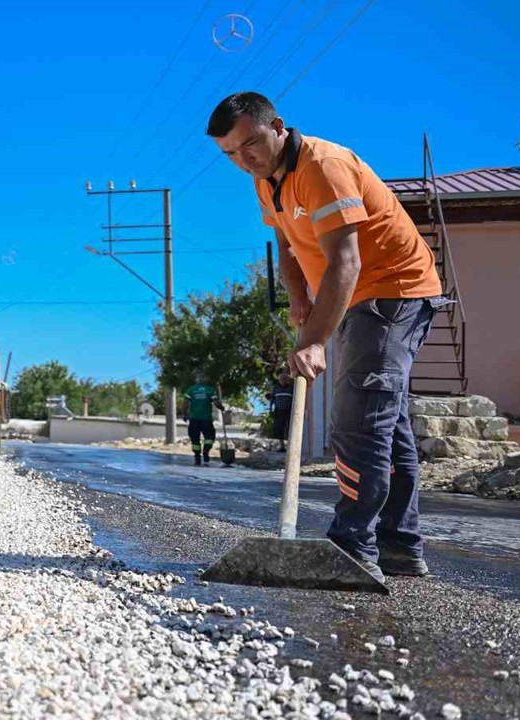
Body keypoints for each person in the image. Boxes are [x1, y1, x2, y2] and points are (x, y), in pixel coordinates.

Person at [208, 91, 443, 583]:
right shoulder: (267, 179)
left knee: (359, 421)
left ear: (278, 127)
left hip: (393, 293)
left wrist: (314, 340)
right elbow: (287, 242)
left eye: (249, 144)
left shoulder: (322, 166)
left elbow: (346, 261)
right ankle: (400, 545)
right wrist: (299, 299)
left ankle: (351, 547)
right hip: (356, 297)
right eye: (230, 153)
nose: (243, 159)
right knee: (386, 422)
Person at [184, 375, 225, 466]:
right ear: (205, 380)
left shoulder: (191, 390)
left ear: (196, 380)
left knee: (195, 440)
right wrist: (221, 407)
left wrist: (185, 414)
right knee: (210, 437)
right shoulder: (210, 390)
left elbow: (185, 404)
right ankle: (206, 450)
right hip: (206, 419)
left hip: (194, 419)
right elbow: (216, 402)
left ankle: (197, 457)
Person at [268, 373, 294, 452]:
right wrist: (270, 409)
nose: (283, 381)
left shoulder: (291, 388)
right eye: (281, 380)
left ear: (287, 380)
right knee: (279, 428)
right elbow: (272, 399)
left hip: (288, 411)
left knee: (289, 428)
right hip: (279, 411)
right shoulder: (276, 389)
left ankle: (290, 446)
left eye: (284, 379)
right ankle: (282, 446)